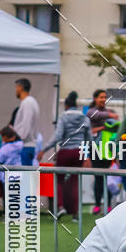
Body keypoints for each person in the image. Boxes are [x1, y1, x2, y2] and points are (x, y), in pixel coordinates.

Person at [40, 91, 92, 220]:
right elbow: (89, 140)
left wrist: (44, 150)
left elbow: (57, 137)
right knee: (75, 181)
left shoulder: (63, 117)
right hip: (79, 152)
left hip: (65, 151)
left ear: (66, 106)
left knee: (59, 179)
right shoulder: (85, 118)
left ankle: (61, 207)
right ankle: (75, 214)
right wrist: (87, 155)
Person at [86, 89, 119, 215]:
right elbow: (94, 116)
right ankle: (97, 205)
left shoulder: (108, 112)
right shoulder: (91, 111)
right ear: (95, 99)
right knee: (98, 177)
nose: (103, 99)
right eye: (101, 97)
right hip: (95, 148)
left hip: (107, 149)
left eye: (105, 97)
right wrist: (109, 117)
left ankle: (109, 205)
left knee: (107, 177)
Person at [13, 78, 41, 166]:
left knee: (24, 177)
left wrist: (17, 136)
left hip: (26, 145)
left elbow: (26, 124)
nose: (16, 90)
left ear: (20, 87)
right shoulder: (31, 102)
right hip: (29, 145)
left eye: (16, 88)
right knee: (27, 176)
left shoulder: (27, 102)